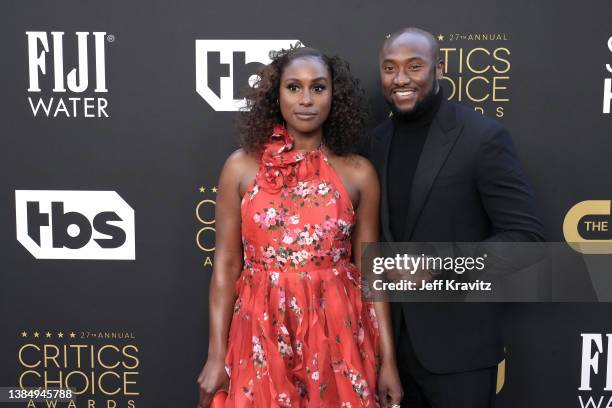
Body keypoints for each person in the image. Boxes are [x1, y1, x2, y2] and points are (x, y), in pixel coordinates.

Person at [197, 46, 403, 407]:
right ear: (276, 95)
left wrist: (389, 362)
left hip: (337, 334)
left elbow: (371, 272)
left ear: (334, 96)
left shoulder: (359, 174)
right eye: (294, 87)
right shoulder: (241, 168)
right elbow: (227, 265)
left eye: (318, 88)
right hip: (260, 329)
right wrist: (216, 356)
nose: (306, 99)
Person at [363, 28, 545, 408]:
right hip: (387, 353)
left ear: (439, 69)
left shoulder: (482, 137)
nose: (401, 79)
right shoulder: (374, 143)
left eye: (415, 66)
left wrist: (441, 264)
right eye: (390, 68)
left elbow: (526, 239)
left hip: (460, 352)